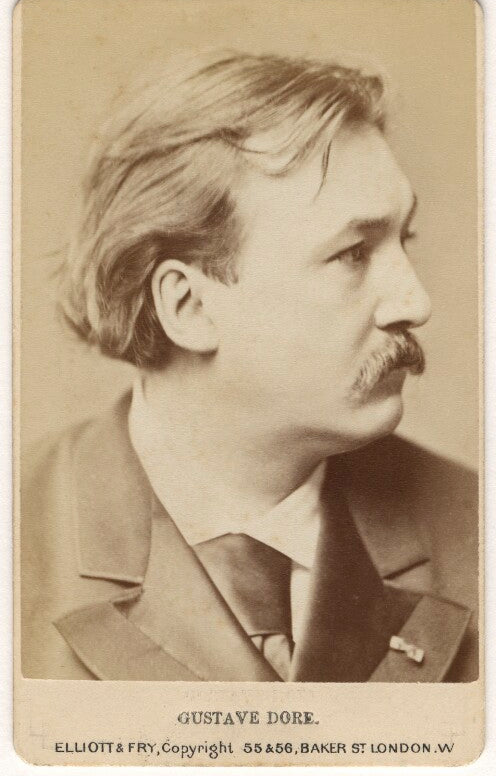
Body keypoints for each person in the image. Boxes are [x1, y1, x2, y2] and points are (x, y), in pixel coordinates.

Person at [21, 51, 478, 682]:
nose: (415, 303)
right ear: (188, 306)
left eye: (404, 241)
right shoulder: (20, 536)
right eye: (353, 253)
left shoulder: (476, 530)